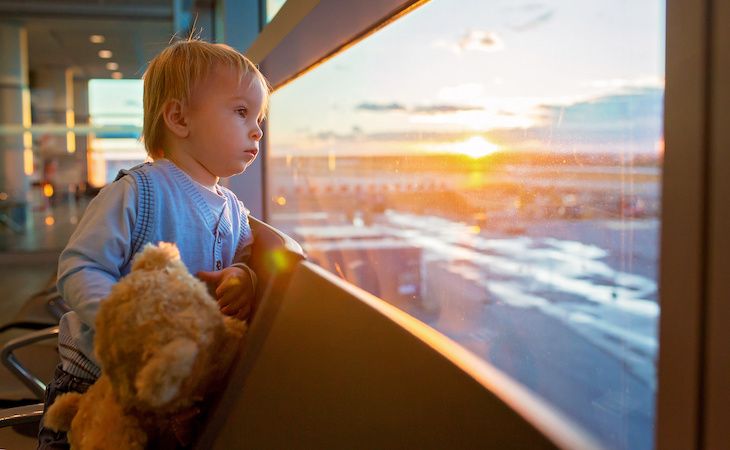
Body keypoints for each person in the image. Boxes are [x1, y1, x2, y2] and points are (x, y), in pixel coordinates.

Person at [38, 38, 269, 449]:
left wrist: (243, 278)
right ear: (179, 118)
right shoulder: (138, 192)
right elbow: (79, 267)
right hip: (101, 378)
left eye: (259, 117)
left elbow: (242, 263)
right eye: (241, 112)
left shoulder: (235, 211)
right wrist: (128, 327)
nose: (257, 129)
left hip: (173, 389)